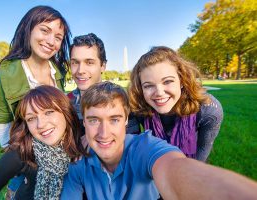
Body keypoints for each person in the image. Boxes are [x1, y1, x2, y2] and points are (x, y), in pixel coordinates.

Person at [61, 81, 257, 200]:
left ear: (127, 120)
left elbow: (175, 169)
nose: (103, 133)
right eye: (94, 120)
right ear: (84, 122)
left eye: (114, 119)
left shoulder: (146, 147)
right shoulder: (79, 162)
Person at [0, 85, 85, 199]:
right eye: (31, 118)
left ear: (65, 111)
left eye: (48, 112)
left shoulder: (85, 139)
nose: (41, 124)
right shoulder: (22, 151)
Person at [0, 5, 71, 148]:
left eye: (58, 37)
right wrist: (17, 156)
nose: (51, 41)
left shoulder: (58, 72)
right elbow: (2, 123)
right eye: (45, 30)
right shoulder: (4, 75)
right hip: (29, 156)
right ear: (29, 30)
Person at [128, 46, 223, 161]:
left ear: (182, 81)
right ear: (140, 88)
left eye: (167, 81)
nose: (159, 93)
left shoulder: (208, 109)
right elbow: (133, 154)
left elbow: (202, 153)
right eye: (148, 86)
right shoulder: (137, 107)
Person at [67, 33, 140, 134]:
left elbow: (131, 143)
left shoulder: (121, 100)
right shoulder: (65, 104)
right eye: (75, 62)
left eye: (89, 62)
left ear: (103, 66)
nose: (80, 70)